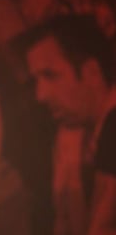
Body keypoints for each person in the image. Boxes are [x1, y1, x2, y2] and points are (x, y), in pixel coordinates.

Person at [24, 14, 116, 235]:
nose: (40, 95)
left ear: (91, 72)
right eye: (36, 80)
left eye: (50, 75)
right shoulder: (73, 138)